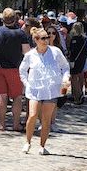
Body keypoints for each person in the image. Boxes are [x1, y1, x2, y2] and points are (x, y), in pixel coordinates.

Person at [19, 27, 70, 155]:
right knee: (32, 115)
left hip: (51, 89)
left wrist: (65, 78)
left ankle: (42, 145)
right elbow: (22, 70)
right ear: (36, 40)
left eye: (47, 38)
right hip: (35, 90)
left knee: (46, 120)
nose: (46, 40)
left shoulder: (56, 52)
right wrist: (27, 84)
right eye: (43, 38)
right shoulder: (30, 55)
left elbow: (65, 66)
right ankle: (27, 141)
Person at [0, 8, 30, 131]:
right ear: (15, 19)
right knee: (17, 96)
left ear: (2, 19)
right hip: (15, 69)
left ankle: (2, 124)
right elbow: (27, 52)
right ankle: (16, 124)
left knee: (1, 95)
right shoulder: (21, 34)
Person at [67, 22, 87, 105]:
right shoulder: (84, 39)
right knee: (80, 75)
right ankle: (79, 93)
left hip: (75, 59)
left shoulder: (75, 39)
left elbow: (73, 50)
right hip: (82, 59)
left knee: (74, 78)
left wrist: (68, 52)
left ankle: (77, 96)